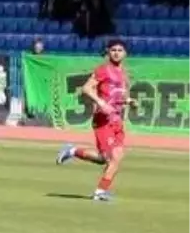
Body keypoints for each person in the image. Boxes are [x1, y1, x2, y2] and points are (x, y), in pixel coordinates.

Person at [56, 39, 137, 201]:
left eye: (120, 50)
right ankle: (100, 192)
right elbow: (86, 88)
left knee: (106, 159)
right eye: (113, 50)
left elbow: (119, 95)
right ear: (108, 52)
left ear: (125, 53)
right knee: (113, 158)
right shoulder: (103, 70)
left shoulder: (124, 74)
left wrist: (129, 102)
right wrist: (101, 102)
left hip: (117, 121)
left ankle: (72, 151)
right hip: (103, 120)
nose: (116, 53)